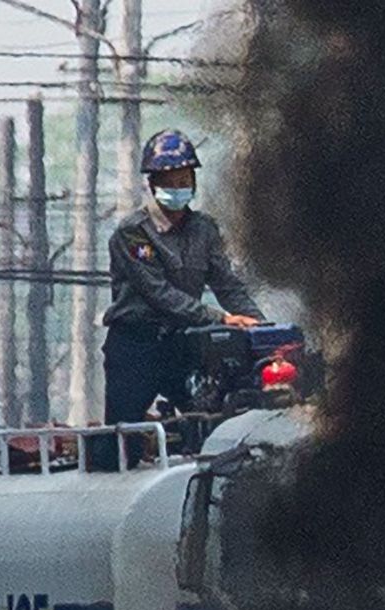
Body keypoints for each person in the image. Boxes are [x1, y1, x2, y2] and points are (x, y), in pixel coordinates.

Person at [102, 129, 267, 459]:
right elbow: (158, 293)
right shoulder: (133, 233)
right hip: (136, 346)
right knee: (121, 444)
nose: (178, 189)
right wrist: (220, 318)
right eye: (170, 181)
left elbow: (227, 285)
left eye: (184, 180)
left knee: (212, 421)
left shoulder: (205, 229)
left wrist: (260, 327)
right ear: (152, 184)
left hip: (184, 344)